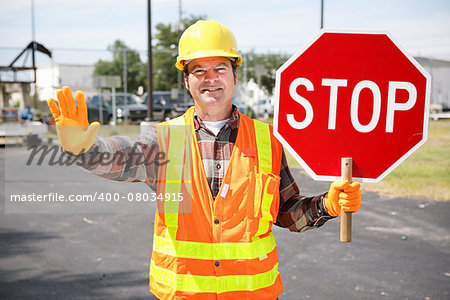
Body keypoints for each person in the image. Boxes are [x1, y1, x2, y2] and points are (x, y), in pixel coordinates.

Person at [47, 20, 361, 300]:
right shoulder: (165, 140)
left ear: (235, 76)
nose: (210, 78)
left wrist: (327, 205)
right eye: (199, 70)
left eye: (220, 68)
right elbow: (121, 158)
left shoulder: (268, 141)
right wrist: (83, 149)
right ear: (187, 81)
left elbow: (286, 212)